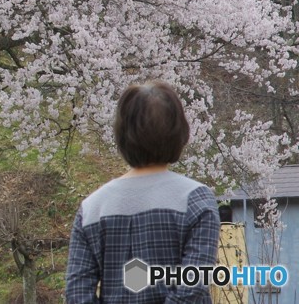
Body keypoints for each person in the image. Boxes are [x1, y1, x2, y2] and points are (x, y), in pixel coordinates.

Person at [65, 80, 219, 303]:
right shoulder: (195, 200)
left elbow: (77, 294)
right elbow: (192, 290)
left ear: (121, 135)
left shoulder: (92, 208)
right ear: (180, 133)